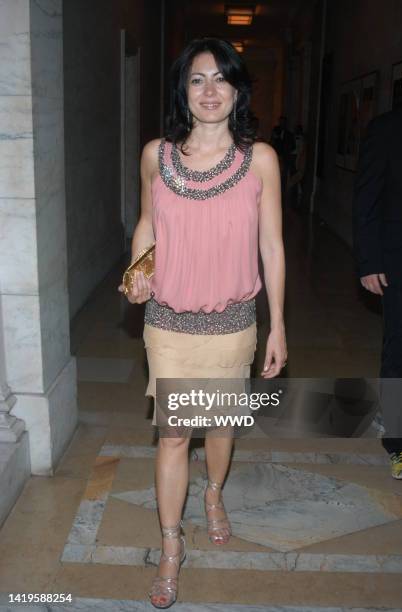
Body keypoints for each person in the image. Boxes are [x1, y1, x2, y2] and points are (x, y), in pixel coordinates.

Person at [118, 37, 286, 608]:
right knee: (172, 434)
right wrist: (139, 270)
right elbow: (147, 225)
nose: (209, 91)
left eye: (221, 79)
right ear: (182, 90)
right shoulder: (155, 156)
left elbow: (272, 245)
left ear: (237, 90)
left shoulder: (258, 159)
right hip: (167, 321)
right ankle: (171, 548)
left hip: (233, 321)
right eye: (197, 79)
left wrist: (279, 323)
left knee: (218, 429)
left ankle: (214, 493)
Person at [353, 100, 402, 480]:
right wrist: (369, 261)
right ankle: (400, 443)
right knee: (401, 349)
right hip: (399, 262)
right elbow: (367, 198)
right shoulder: (388, 128)